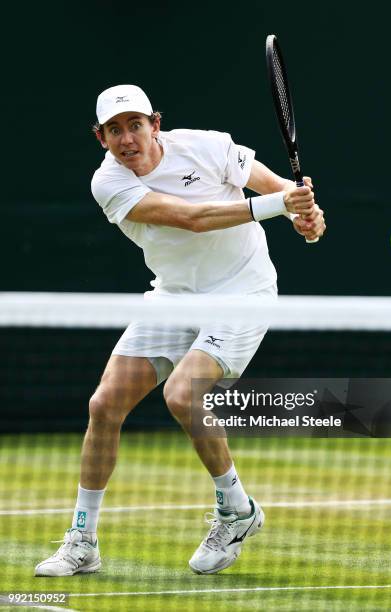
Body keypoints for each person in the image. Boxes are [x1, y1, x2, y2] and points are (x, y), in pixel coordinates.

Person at [35, 84, 325, 577]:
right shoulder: (109, 184)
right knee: (104, 406)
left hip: (241, 292)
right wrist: (280, 206)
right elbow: (191, 219)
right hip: (174, 296)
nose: (127, 137)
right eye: (114, 130)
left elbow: (274, 185)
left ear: (155, 124)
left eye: (135, 124)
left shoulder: (209, 146)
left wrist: (305, 213)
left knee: (183, 395)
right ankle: (83, 540)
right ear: (101, 138)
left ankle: (235, 511)